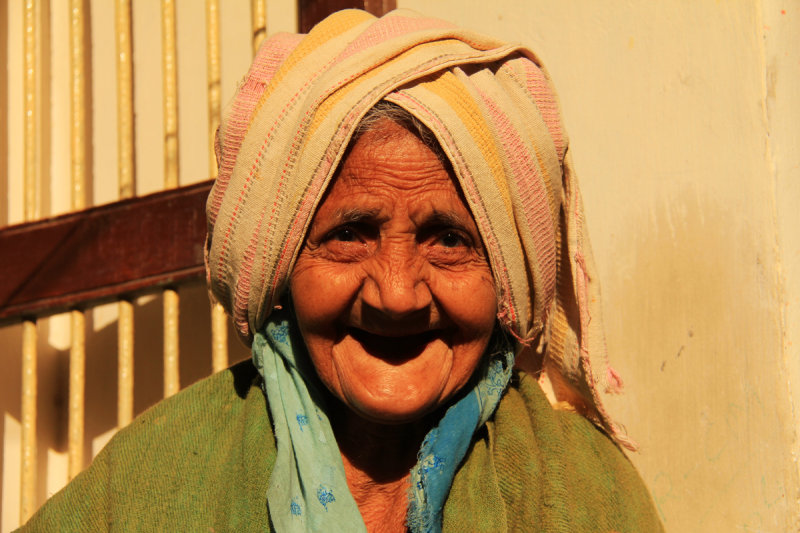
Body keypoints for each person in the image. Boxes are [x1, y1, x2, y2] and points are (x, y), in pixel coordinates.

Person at [18, 9, 663, 532]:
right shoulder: (155, 480)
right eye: (349, 235)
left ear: (505, 276)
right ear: (281, 261)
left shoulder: (584, 494)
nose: (398, 294)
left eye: (449, 240)